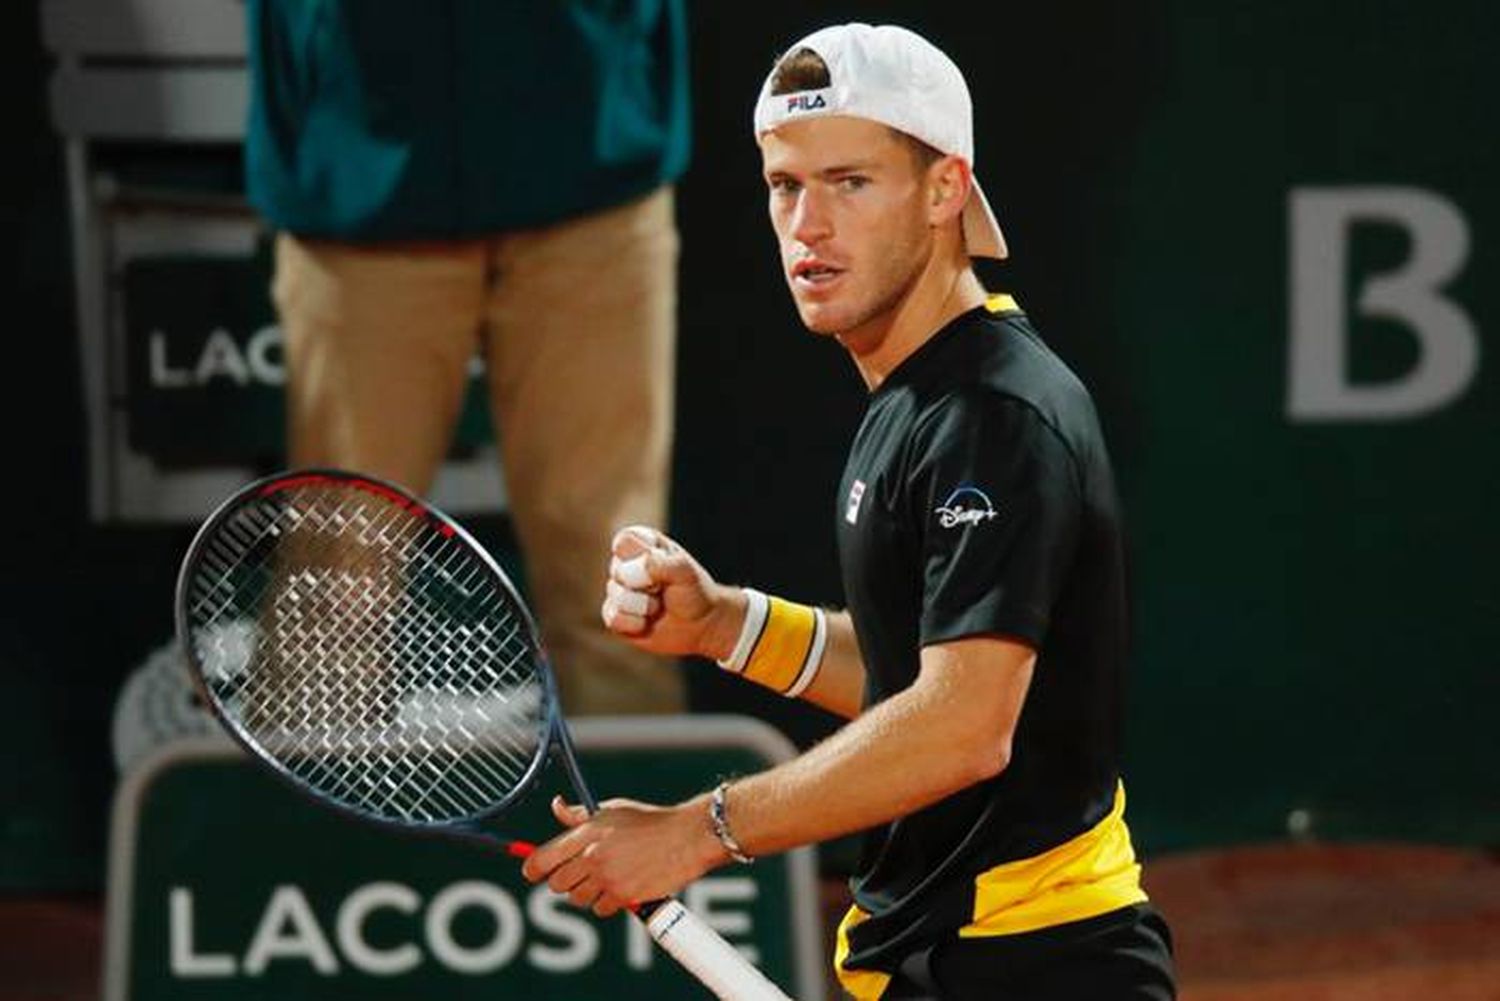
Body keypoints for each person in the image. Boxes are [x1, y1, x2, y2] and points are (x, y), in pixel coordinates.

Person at [521, 22, 1176, 1000]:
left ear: (945, 190)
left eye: (851, 183)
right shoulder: (917, 397)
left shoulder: (993, 416)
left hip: (1035, 965)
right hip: (946, 960)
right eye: (786, 185)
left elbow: (961, 724)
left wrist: (695, 832)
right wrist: (725, 623)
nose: (808, 224)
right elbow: (914, 675)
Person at [242, 0, 691, 715]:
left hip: (595, 152)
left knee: (616, 590)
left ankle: (638, 824)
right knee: (335, 592)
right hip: (356, 159)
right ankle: (311, 829)